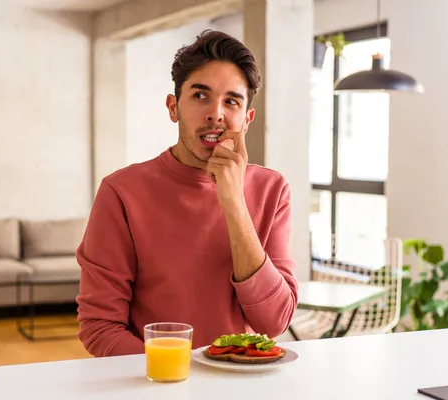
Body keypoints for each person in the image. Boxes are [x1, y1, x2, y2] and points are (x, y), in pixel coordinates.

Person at [75, 29, 298, 357]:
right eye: (200, 96)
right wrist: (175, 374)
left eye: (231, 101)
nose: (216, 114)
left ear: (246, 120)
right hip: (155, 384)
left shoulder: (273, 190)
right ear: (173, 107)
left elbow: (275, 320)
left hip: (244, 383)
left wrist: (234, 203)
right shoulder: (120, 192)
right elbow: (100, 326)